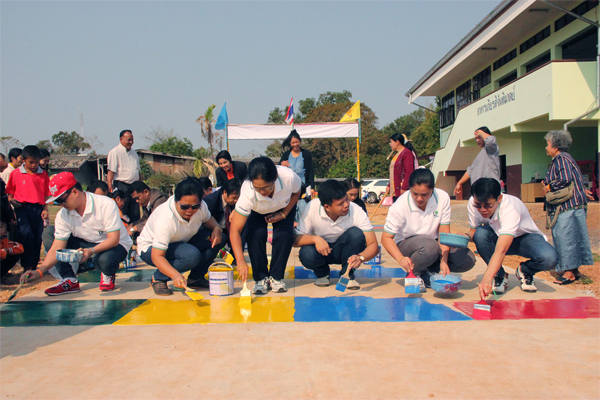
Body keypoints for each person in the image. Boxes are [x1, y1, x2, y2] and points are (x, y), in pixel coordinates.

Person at [21, 172, 132, 295]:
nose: (61, 205)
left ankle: (107, 273)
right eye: (57, 202)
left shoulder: (105, 204)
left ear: (75, 192)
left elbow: (113, 239)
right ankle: (69, 279)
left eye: (62, 200)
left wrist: (91, 251)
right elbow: (57, 247)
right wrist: (39, 271)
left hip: (115, 245)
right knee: (49, 233)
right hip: (86, 242)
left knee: (105, 261)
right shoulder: (63, 215)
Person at [382, 169, 476, 291]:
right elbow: (386, 238)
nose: (419, 198)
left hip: (433, 245)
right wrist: (400, 258)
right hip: (408, 245)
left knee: (467, 259)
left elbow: (444, 233)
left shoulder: (442, 198)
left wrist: (444, 261)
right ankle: (414, 273)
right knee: (430, 246)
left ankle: (429, 270)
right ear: (409, 189)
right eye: (415, 194)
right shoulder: (400, 206)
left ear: (432, 190)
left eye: (425, 194)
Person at [468, 178, 558, 297]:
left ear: (499, 199)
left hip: (525, 239)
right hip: (499, 236)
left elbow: (501, 250)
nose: (482, 210)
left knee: (549, 258)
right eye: (478, 205)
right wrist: (463, 237)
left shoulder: (510, 209)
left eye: (488, 205)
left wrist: (486, 278)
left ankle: (525, 270)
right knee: (480, 234)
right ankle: (499, 275)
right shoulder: (473, 203)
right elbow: (474, 230)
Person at [137, 177, 223, 294]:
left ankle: (195, 278)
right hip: (151, 249)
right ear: (176, 201)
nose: (189, 211)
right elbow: (157, 256)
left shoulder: (201, 207)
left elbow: (208, 219)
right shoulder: (165, 219)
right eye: (184, 207)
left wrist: (217, 228)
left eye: (195, 207)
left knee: (220, 239)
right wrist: (175, 275)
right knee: (191, 256)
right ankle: (158, 278)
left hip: (181, 242)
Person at [230, 156, 301, 294]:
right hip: (257, 210)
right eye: (258, 188)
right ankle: (260, 278)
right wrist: (240, 261)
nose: (263, 192)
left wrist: (284, 214)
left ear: (275, 177)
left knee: (284, 236)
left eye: (267, 187)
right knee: (256, 235)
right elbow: (235, 230)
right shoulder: (248, 193)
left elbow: (296, 192)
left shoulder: (289, 177)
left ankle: (276, 277)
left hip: (284, 207)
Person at [295, 179, 379, 289]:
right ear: (327, 207)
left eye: (346, 200)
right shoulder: (312, 208)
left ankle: (348, 274)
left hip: (345, 252)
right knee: (306, 253)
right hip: (321, 252)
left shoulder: (356, 210)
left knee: (356, 234)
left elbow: (373, 245)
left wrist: (361, 257)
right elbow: (295, 239)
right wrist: (316, 239)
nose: (346, 205)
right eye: (340, 204)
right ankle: (323, 274)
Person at [542, 130, 594, 285]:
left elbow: (564, 179)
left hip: (567, 206)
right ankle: (574, 270)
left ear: (556, 146)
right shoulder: (566, 159)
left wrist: (549, 187)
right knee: (575, 236)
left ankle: (569, 272)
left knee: (566, 238)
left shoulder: (561, 158)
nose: (546, 147)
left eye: (548, 144)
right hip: (574, 205)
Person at [5, 145, 50, 272]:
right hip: (22, 208)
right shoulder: (16, 174)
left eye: (36, 162)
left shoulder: (43, 175)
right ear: (23, 160)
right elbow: (10, 194)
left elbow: (46, 195)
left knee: (37, 236)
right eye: (31, 162)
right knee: (26, 234)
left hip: (37, 208)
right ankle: (27, 265)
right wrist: (11, 201)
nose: (34, 165)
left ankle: (33, 265)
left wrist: (45, 209)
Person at [454, 127, 500, 197]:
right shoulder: (481, 153)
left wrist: (481, 132)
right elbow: (470, 171)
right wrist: (459, 183)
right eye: (476, 138)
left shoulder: (491, 150)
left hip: (489, 191)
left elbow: (490, 141)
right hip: (479, 192)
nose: (477, 140)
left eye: (479, 137)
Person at [107, 129, 141, 222]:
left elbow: (138, 172)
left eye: (132, 140)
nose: (131, 142)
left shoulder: (134, 154)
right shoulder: (115, 152)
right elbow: (111, 171)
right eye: (129, 140)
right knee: (122, 212)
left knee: (134, 213)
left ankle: (134, 234)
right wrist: (110, 186)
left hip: (134, 186)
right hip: (122, 185)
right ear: (121, 139)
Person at [203, 178, 241, 245]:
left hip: (229, 229)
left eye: (238, 198)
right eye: (234, 198)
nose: (236, 201)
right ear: (225, 192)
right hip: (214, 231)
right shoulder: (210, 202)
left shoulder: (237, 203)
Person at [386, 133, 418, 201]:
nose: (390, 144)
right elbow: (394, 173)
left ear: (397, 142)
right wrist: (389, 186)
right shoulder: (396, 155)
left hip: (402, 191)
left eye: (391, 142)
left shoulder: (406, 153)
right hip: (395, 191)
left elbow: (409, 171)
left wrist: (404, 187)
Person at [1, 213, 24, 282]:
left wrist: (7, 250)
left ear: (5, 232)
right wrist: (3, 252)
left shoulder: (4, 242)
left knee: (15, 255)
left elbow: (20, 248)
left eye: (1, 226)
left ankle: (2, 275)